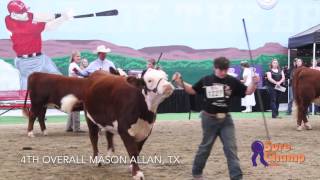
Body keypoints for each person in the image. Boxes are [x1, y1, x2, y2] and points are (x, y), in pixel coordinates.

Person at [172, 57, 259, 180]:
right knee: (205, 148)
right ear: (215, 68)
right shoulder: (206, 80)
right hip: (209, 119)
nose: (223, 72)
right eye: (220, 70)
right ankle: (197, 174)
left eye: (225, 69)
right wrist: (180, 82)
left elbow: (248, 91)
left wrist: (254, 83)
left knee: (231, 149)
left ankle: (236, 177)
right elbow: (192, 90)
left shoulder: (232, 81)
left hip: (226, 120)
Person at [5, 0, 72, 89]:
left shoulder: (21, 16)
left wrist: (59, 15)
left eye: (25, 11)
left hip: (41, 58)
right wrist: (63, 18)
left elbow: (38, 16)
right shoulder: (17, 26)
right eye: (22, 13)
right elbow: (48, 26)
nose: (25, 14)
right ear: (13, 14)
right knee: (28, 88)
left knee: (59, 78)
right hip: (27, 63)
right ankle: (25, 100)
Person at [66, 50, 85, 133]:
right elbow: (78, 76)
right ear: (73, 57)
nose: (79, 58)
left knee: (72, 107)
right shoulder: (73, 66)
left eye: (79, 56)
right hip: (75, 88)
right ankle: (76, 128)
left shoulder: (73, 65)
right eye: (77, 56)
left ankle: (69, 127)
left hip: (72, 87)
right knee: (77, 107)